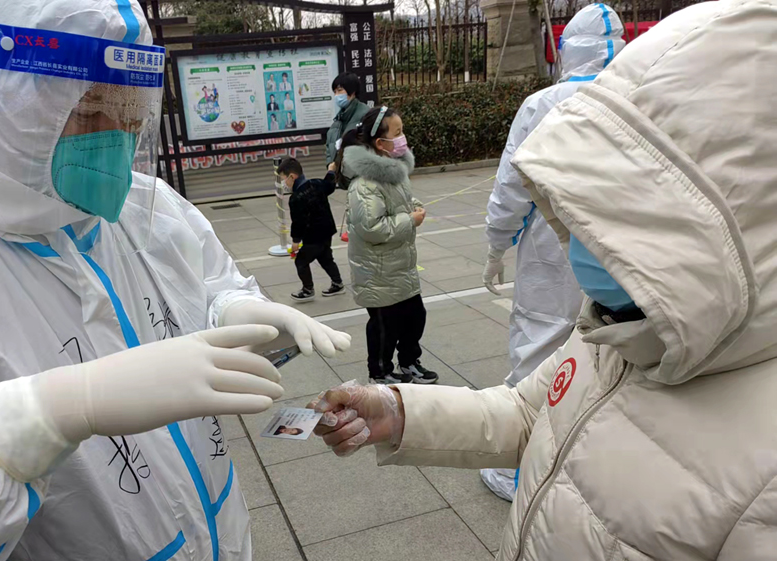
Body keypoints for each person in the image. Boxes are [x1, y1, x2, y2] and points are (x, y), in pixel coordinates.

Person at [312, 1, 777, 557]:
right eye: (577, 203)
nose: (581, 235)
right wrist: (399, 412)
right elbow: (528, 411)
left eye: (620, 208)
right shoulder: (616, 329)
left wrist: (496, 243)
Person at [0, 1, 352, 559]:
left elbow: (202, 285)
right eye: (91, 108)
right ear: (8, 96)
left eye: (131, 106)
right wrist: (39, 415)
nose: (120, 131)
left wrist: (231, 311)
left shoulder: (144, 204)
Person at [479, 3, 625, 501]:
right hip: (625, 248)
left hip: (551, 247)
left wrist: (496, 246)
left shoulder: (543, 105)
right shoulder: (640, 96)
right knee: (614, 355)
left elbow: (512, 186)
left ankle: (522, 468)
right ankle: (596, 466)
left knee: (538, 348)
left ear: (566, 49)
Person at [337, 107, 438, 385]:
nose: (403, 138)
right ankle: (380, 372)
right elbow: (372, 228)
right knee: (385, 328)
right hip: (378, 274)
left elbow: (399, 203)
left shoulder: (394, 172)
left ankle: (409, 362)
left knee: (415, 317)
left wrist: (413, 207)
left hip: (400, 267)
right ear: (380, 143)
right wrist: (410, 220)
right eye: (398, 132)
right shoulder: (365, 184)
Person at [280, 157, 345, 302]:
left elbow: (298, 222)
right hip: (327, 231)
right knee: (325, 258)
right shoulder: (316, 183)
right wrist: (331, 171)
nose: (284, 183)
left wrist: (295, 241)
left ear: (292, 177)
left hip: (313, 236)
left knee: (301, 262)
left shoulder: (296, 198)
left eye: (284, 179)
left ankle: (307, 289)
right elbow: (329, 185)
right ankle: (337, 283)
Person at [325, 72, 369, 167]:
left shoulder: (365, 115)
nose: (336, 95)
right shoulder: (338, 119)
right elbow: (329, 148)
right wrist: (330, 165)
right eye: (335, 92)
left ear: (352, 92)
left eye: (340, 91)